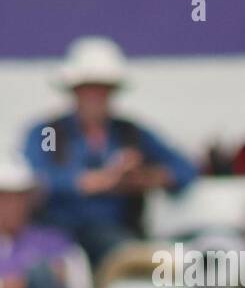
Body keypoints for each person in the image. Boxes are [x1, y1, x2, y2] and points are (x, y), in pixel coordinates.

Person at [24, 37, 196, 268]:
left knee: (132, 258)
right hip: (57, 234)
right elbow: (34, 180)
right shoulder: (48, 133)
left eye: (102, 90)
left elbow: (185, 169)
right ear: (74, 91)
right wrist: (100, 180)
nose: (95, 97)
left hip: (117, 232)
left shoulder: (130, 133)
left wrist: (141, 178)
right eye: (89, 89)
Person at [0, 155, 92, 288]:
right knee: (41, 275)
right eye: (4, 197)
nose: (12, 205)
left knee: (41, 276)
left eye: (20, 197)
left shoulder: (58, 241)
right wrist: (30, 284)